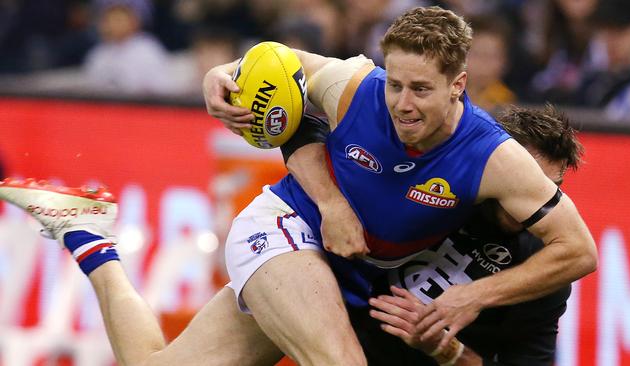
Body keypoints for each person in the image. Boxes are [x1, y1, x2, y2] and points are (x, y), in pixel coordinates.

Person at [0, 6, 596, 366]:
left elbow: (580, 250)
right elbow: (266, 66)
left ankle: (89, 237)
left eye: (422, 90)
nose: (402, 105)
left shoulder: (494, 160)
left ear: (459, 86)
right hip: (286, 230)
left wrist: (466, 301)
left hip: (346, 274)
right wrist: (219, 77)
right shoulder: (355, 85)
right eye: (397, 85)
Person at [352, 104, 583, 365]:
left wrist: (448, 350)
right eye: (531, 183)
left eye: (551, 191)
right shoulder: (435, 186)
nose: (537, 202)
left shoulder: (542, 265)